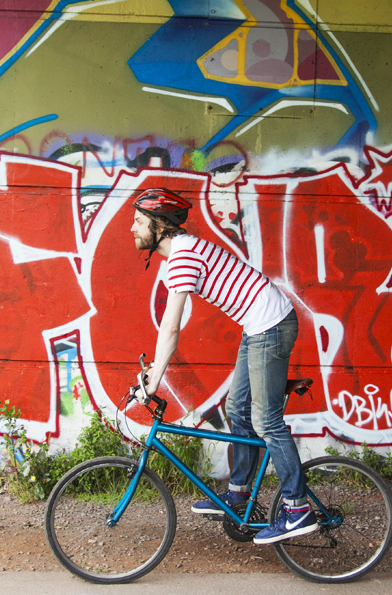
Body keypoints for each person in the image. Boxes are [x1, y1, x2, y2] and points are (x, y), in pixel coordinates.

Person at [129, 187, 313, 545]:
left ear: (160, 225)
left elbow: (170, 326)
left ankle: (297, 509)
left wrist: (153, 382)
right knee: (237, 409)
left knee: (266, 420)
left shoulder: (182, 256)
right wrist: (153, 374)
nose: (132, 229)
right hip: (260, 325)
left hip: (270, 325)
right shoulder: (181, 254)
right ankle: (240, 491)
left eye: (139, 221)